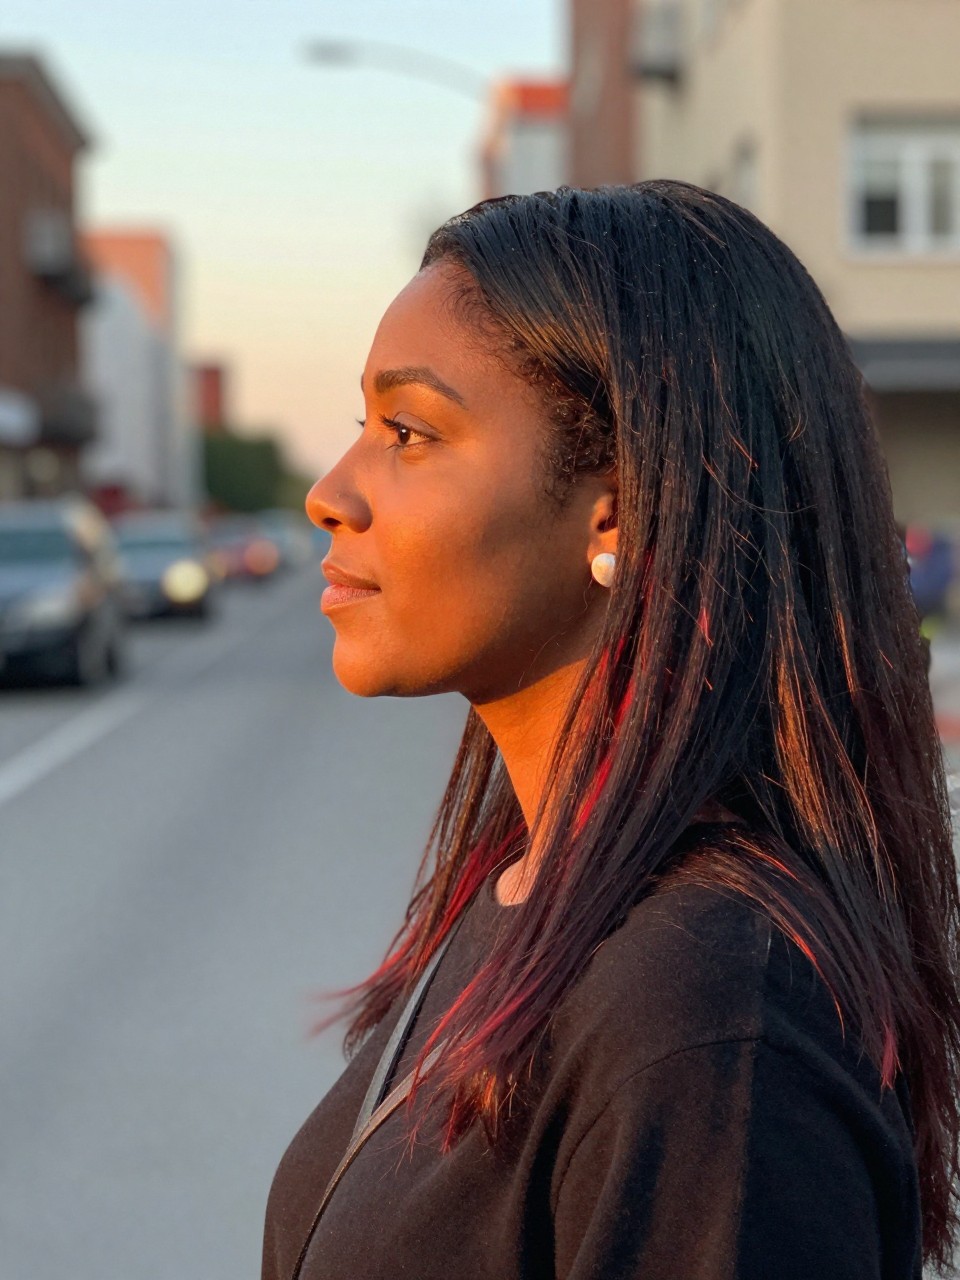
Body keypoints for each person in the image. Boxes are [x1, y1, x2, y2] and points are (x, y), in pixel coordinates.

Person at [262, 182, 960, 1279]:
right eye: (363, 426)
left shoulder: (708, 1015)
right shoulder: (533, 891)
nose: (329, 492)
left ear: (620, 509)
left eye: (409, 432)